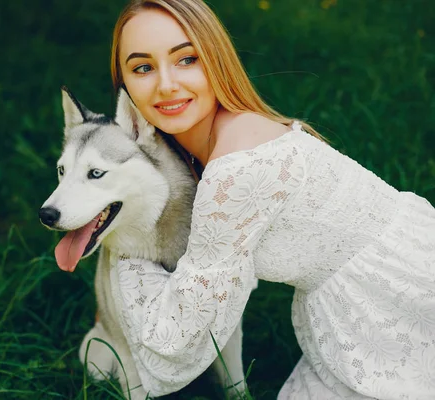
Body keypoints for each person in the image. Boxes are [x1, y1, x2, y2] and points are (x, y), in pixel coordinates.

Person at [106, 0, 435, 399]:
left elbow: (180, 335)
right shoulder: (210, 140)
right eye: (143, 67)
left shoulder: (235, 168)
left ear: (217, 60)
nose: (166, 84)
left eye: (187, 59)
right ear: (123, 83)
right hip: (361, 294)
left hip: (397, 296)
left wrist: (123, 248)